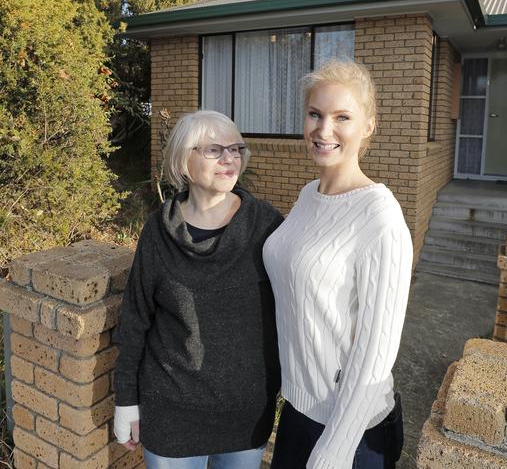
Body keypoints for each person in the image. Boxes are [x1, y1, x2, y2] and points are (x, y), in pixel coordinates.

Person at [113, 110, 283, 469]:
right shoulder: (158, 231)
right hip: (171, 411)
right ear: (184, 161)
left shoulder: (266, 226)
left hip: (245, 412)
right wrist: (126, 399)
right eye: (214, 150)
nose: (230, 158)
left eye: (236, 149)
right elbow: (135, 318)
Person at [264, 61, 413, 469]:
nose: (323, 130)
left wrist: (336, 447)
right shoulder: (308, 194)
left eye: (342, 117)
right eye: (315, 114)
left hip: (353, 432)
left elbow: (376, 349)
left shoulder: (379, 216)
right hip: (299, 410)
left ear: (368, 126)